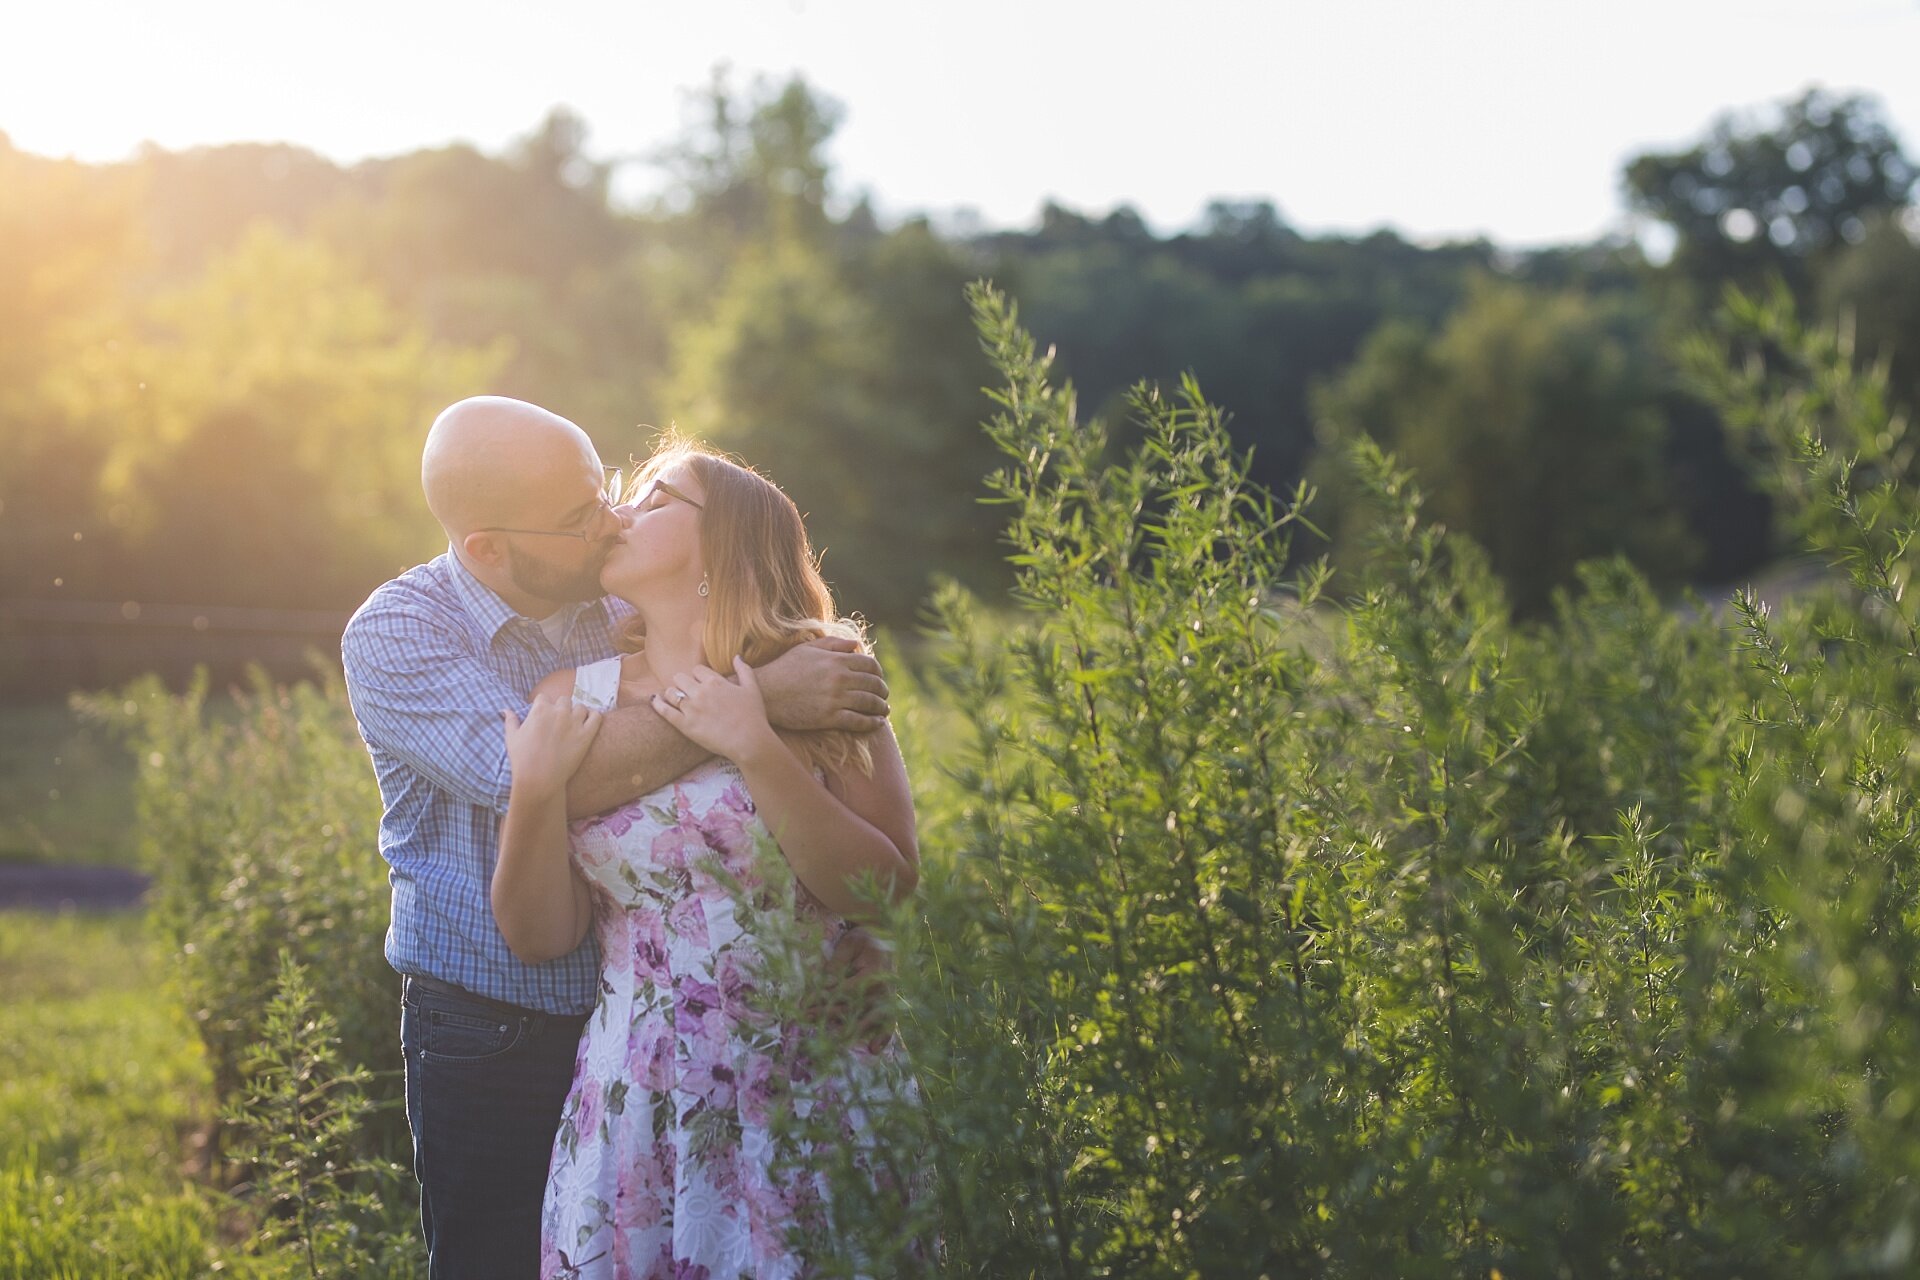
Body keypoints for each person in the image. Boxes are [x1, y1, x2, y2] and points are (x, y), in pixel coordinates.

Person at [340, 398, 890, 1280]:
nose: (610, 520)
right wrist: (757, 706)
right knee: (501, 1258)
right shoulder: (399, 632)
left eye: (607, 492)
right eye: (576, 516)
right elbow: (541, 778)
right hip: (496, 1018)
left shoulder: (613, 592)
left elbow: (881, 882)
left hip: (682, 1030)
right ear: (488, 547)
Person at [490, 438, 918, 1278]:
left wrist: (756, 746)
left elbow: (886, 892)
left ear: (727, 542)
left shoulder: (824, 676)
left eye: (656, 499)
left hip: (806, 1081)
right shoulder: (574, 696)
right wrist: (535, 795)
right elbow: (540, 936)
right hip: (643, 1095)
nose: (620, 513)